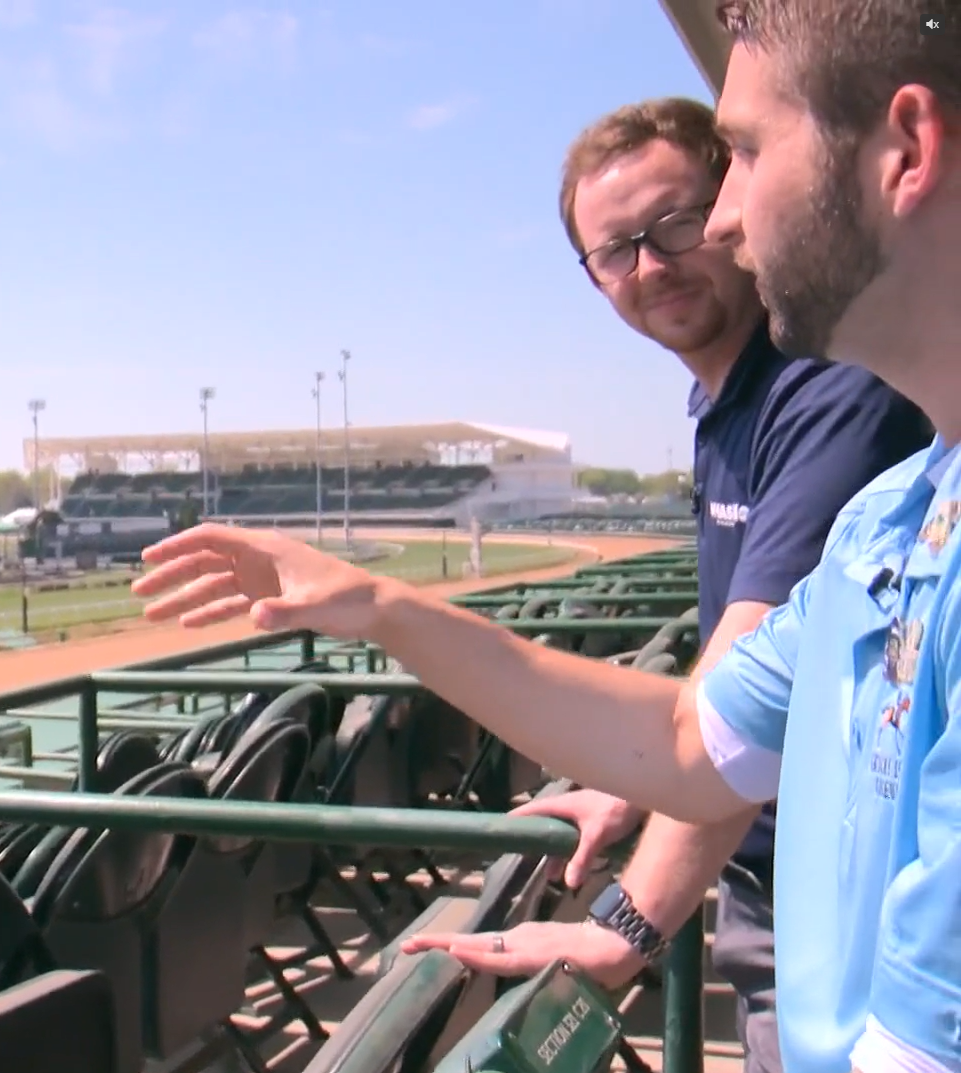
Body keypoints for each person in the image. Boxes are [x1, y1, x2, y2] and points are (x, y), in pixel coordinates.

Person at [130, 2, 961, 1070]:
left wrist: (627, 923)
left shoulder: (848, 448)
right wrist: (376, 604)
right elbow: (684, 745)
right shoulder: (884, 524)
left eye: (743, 156)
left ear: (906, 150)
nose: (721, 222)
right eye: (617, 248)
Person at [392, 97, 931, 1073]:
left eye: (675, 222)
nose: (652, 265)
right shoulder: (725, 401)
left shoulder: (824, 390)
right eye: (615, 250)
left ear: (731, 200)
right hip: (774, 867)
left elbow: (742, 723)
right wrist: (632, 785)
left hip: (842, 899)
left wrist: (624, 927)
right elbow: (742, 681)